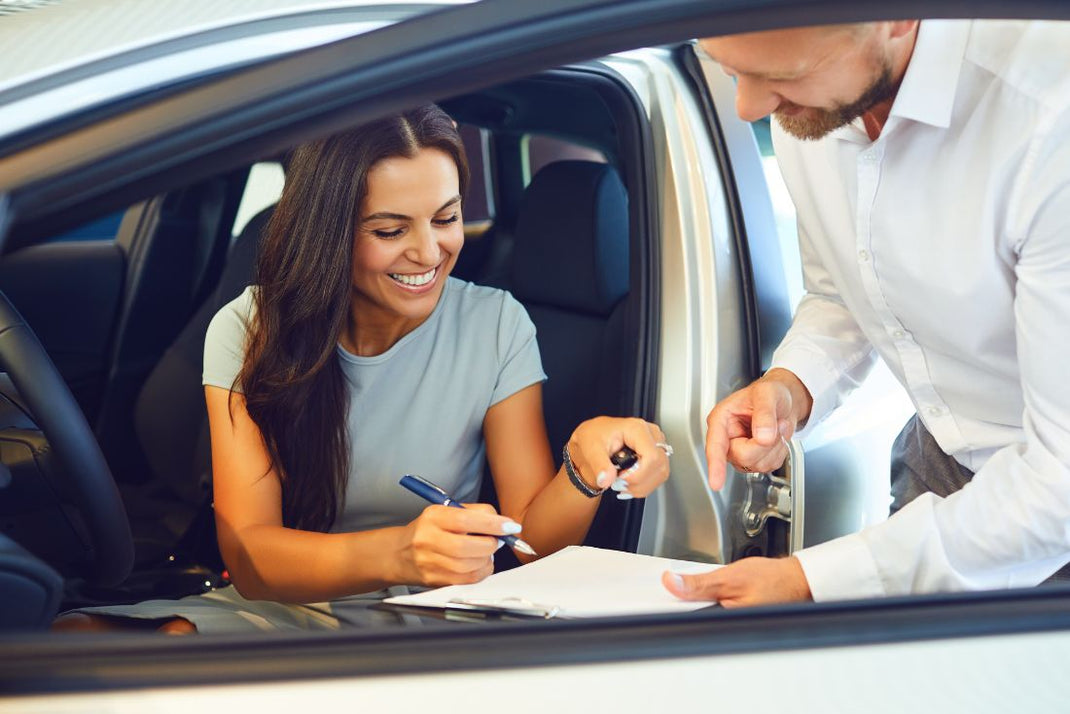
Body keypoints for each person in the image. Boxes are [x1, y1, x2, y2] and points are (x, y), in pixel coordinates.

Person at [55, 104, 670, 633]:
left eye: (446, 218)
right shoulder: (250, 329)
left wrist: (585, 468)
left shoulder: (497, 324)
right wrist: (401, 551)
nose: (429, 252)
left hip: (434, 617)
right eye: (389, 229)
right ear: (329, 233)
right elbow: (252, 558)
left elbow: (533, 548)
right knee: (67, 638)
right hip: (286, 605)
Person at [663, 19, 1070, 606]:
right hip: (936, 465)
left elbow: (1058, 483)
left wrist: (812, 582)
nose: (749, 108)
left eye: (781, 75)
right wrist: (790, 384)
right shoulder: (811, 110)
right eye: (731, 71)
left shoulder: (1045, 124)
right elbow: (841, 292)